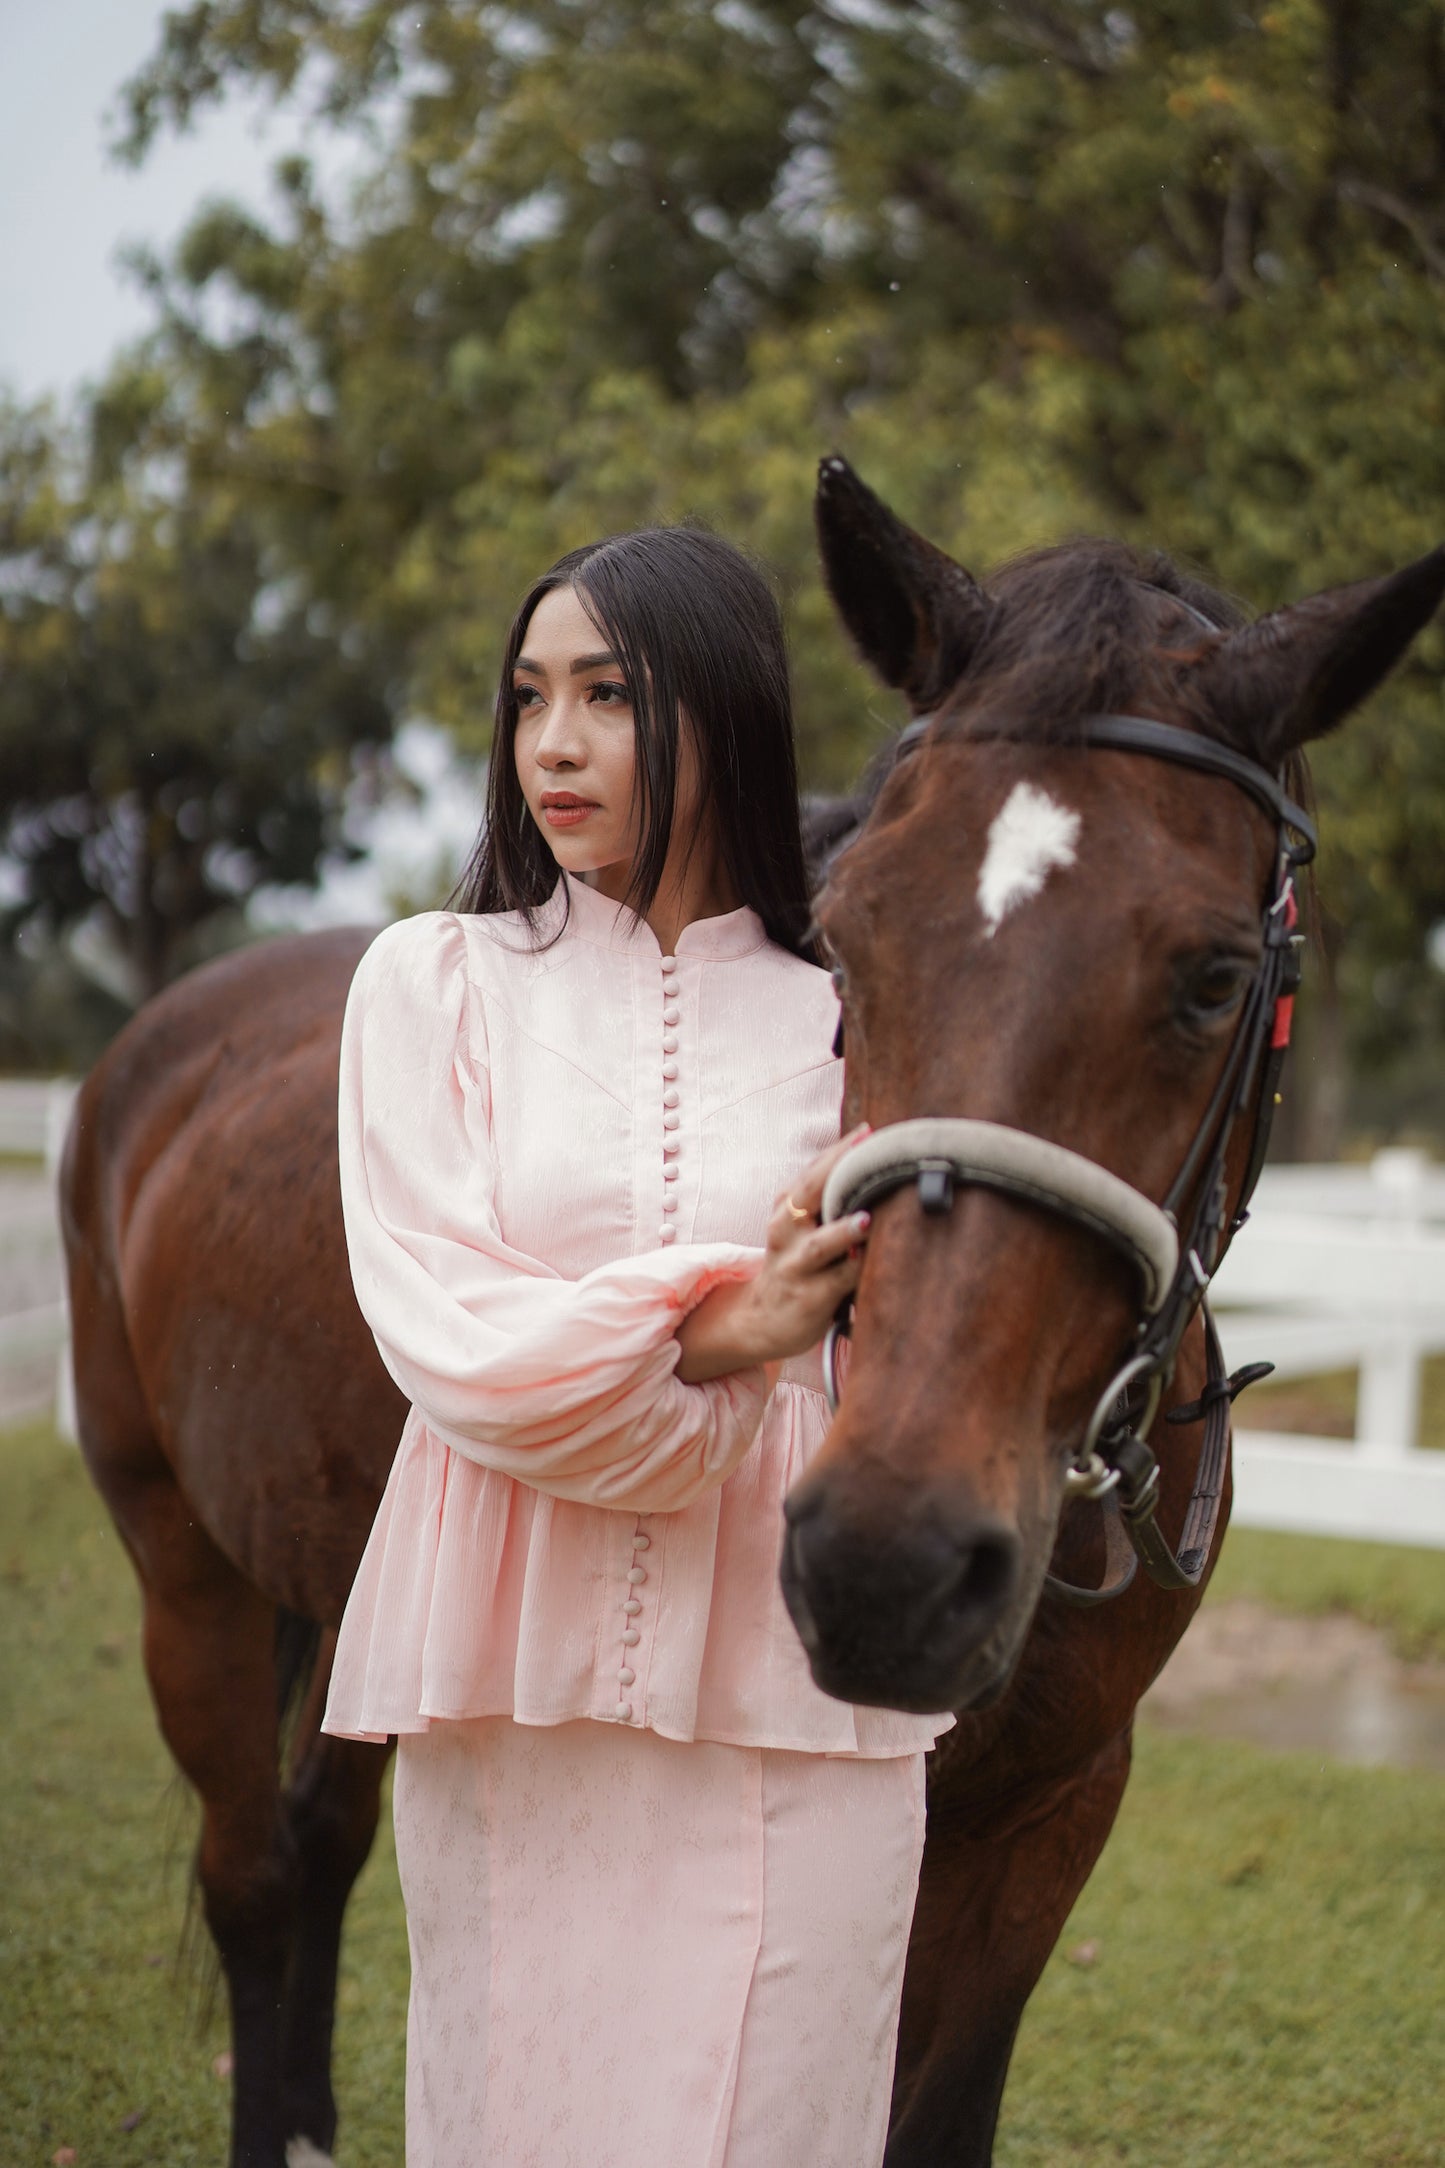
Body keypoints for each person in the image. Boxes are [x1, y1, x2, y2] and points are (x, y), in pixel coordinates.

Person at [321, 525, 953, 2167]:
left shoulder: (855, 1018)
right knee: (512, 2104)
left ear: (727, 707)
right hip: (507, 1674)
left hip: (791, 1665)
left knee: (778, 2117)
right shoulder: (430, 987)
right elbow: (443, 1330)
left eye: (606, 694)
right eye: (527, 697)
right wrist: (715, 1322)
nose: (552, 744)